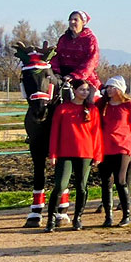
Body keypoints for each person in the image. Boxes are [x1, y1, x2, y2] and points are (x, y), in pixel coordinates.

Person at [45, 78, 103, 232]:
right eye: (82, 89)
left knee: (82, 187)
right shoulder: (63, 109)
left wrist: (98, 155)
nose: (85, 92)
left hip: (86, 153)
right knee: (60, 186)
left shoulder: (92, 110)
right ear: (74, 91)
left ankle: (78, 218)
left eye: (87, 90)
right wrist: (53, 154)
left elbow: (96, 134)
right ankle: (50, 219)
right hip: (65, 153)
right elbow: (55, 133)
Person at [97, 76, 131, 227]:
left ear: (119, 89)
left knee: (120, 181)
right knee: (106, 182)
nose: (108, 90)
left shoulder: (129, 105)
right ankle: (108, 216)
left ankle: (126, 214)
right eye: (107, 87)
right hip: (105, 147)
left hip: (122, 147)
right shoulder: (103, 105)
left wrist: (125, 138)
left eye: (112, 87)